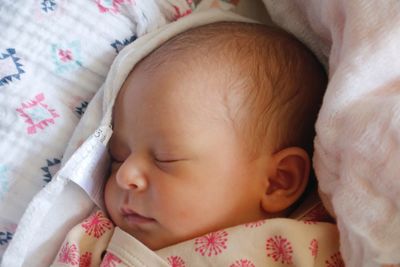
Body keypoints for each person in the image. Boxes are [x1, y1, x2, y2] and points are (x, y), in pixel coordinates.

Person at [52, 22, 340, 267]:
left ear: (278, 181)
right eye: (117, 156)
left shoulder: (312, 248)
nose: (125, 175)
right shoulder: (93, 241)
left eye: (166, 159)